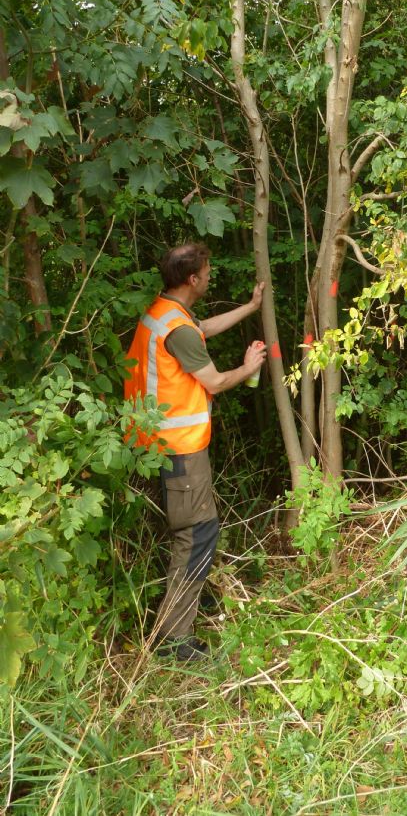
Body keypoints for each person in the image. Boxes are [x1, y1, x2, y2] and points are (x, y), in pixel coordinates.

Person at [124, 242, 266, 662]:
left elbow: (203, 328)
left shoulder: (166, 311)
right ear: (193, 279)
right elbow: (216, 382)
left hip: (154, 446)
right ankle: (174, 639)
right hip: (178, 450)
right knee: (198, 533)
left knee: (190, 531)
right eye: (206, 271)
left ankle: (183, 605)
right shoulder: (178, 329)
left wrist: (250, 306)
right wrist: (249, 368)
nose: (209, 275)